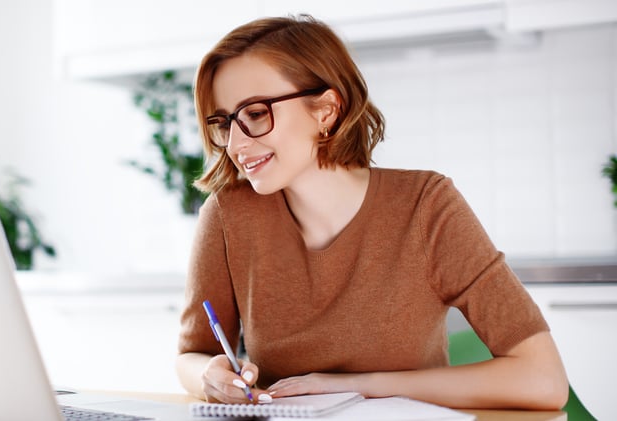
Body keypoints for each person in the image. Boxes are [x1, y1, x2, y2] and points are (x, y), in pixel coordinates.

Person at [175, 14, 569, 410]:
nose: (236, 143)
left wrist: (359, 386)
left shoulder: (426, 204)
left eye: (256, 114)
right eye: (224, 122)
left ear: (326, 110)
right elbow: (191, 356)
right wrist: (209, 376)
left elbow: (543, 379)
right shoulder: (227, 216)